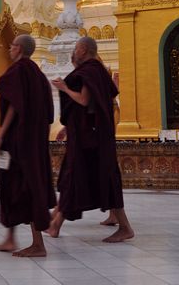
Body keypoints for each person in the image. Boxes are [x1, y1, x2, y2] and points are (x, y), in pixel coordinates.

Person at [50, 36, 134, 242]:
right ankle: (56, 223)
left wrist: (64, 88)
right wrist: (68, 129)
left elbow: (84, 100)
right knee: (89, 176)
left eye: (77, 48)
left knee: (78, 175)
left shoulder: (89, 72)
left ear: (84, 50)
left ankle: (56, 224)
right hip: (94, 135)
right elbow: (94, 107)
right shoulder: (98, 72)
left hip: (89, 139)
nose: (75, 52)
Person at [0, 34, 56, 257]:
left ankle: (38, 244)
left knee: (26, 187)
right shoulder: (38, 74)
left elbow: (13, 106)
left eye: (11, 45)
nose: (9, 49)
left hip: (17, 140)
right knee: (11, 186)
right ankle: (10, 238)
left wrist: (0, 137)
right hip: (34, 141)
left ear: (18, 48)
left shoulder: (18, 71)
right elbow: (49, 113)